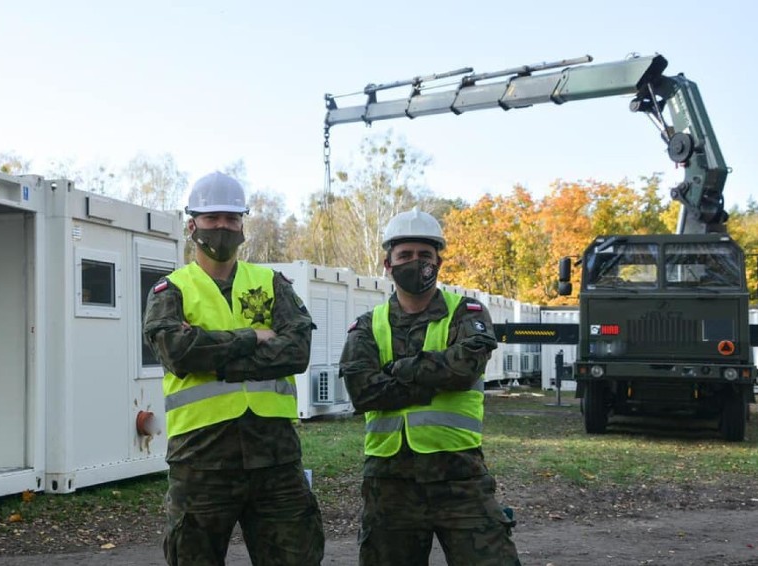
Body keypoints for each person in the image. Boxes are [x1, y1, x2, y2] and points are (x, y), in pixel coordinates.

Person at [143, 171, 325, 566]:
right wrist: (252, 338)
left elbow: (296, 351)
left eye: (231, 219)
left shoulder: (273, 283)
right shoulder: (170, 290)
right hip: (201, 461)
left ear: (242, 224)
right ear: (192, 225)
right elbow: (178, 352)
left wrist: (213, 352)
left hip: (275, 461)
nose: (222, 227)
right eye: (212, 219)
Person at [339, 207, 520, 566]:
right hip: (390, 483)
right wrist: (433, 380)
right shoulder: (367, 325)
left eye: (425, 255)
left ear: (438, 262)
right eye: (404, 255)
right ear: (388, 265)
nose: (415, 262)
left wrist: (398, 370)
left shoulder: (467, 312)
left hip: (460, 477)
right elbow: (362, 392)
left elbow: (465, 369)